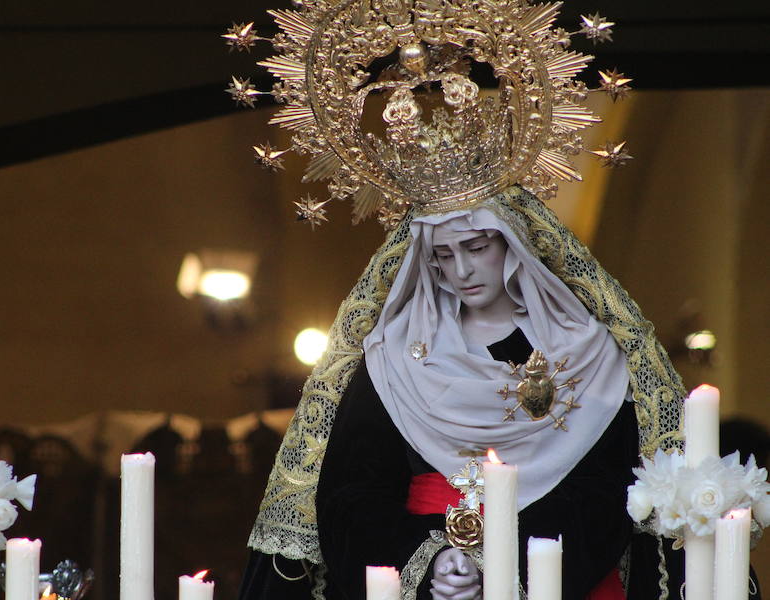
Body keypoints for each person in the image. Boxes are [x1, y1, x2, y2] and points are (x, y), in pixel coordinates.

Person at [238, 188, 687, 600]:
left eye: (476, 247)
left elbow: (606, 489)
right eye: (444, 255)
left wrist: (500, 563)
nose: (462, 270)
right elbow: (353, 493)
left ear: (513, 242)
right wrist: (434, 560)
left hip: (555, 573)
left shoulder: (584, 351)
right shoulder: (392, 357)